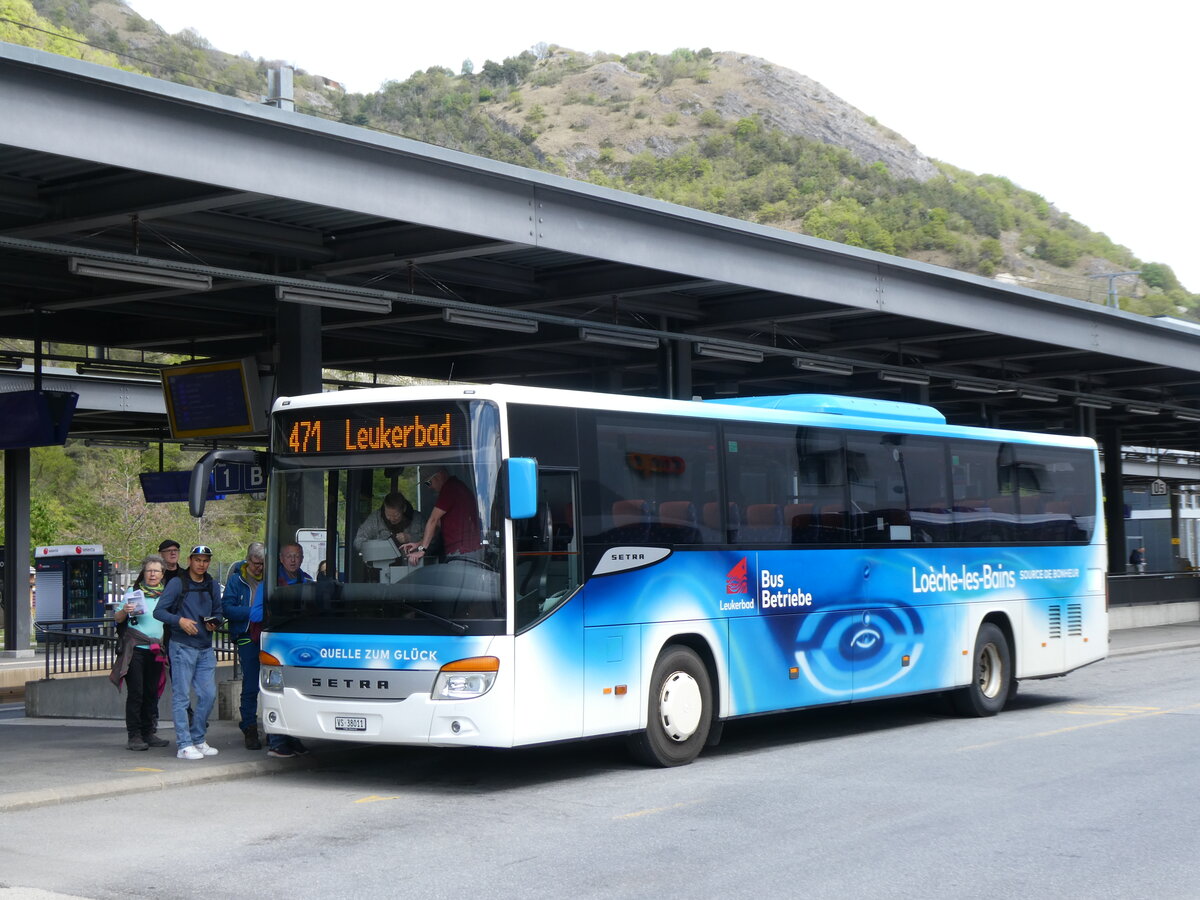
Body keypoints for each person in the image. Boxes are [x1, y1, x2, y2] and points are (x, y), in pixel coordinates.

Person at [154, 545, 223, 760]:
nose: (202, 564)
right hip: (182, 646)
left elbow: (219, 612)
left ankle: (198, 738)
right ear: (190, 560)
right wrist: (180, 621)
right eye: (198, 560)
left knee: (209, 695)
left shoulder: (211, 584)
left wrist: (216, 623)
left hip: (204, 647)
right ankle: (184, 744)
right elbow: (159, 612)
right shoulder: (177, 583)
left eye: (206, 560)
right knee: (181, 698)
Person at [250, 543, 311, 758]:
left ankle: (293, 738)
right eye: (289, 556)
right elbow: (255, 615)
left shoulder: (307, 582)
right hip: (277, 643)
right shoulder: (269, 584)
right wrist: (279, 614)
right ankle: (277, 742)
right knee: (277, 690)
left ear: (302, 558)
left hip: (300, 645)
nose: (293, 560)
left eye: (297, 556)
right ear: (281, 559)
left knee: (296, 691)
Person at [108, 554, 170, 751]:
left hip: (156, 650)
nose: (152, 574)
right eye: (149, 570)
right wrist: (125, 610)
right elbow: (117, 619)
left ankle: (148, 732)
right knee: (137, 693)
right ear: (143, 573)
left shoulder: (166, 595)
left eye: (156, 571)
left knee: (152, 692)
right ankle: (134, 735)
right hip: (135, 649)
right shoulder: (133, 592)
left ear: (162, 574)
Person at [222, 541, 266, 750]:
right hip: (247, 634)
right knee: (250, 683)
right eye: (257, 563)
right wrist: (253, 612)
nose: (260, 568)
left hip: (269, 635)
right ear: (248, 560)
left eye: (263, 564)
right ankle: (249, 726)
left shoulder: (271, 576)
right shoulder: (236, 580)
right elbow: (227, 609)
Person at [403, 468, 481, 565]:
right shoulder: (455, 487)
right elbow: (438, 525)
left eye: (428, 483)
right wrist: (419, 544)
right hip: (466, 550)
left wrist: (421, 550)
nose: (429, 487)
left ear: (439, 476)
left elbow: (433, 520)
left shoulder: (450, 489)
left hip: (462, 552)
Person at [354, 490, 424, 576]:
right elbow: (358, 541)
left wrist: (410, 538)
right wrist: (378, 548)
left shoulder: (417, 519)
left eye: (396, 515)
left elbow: (433, 542)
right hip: (382, 572)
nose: (391, 519)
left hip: (413, 571)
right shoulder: (376, 518)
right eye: (388, 515)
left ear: (404, 509)